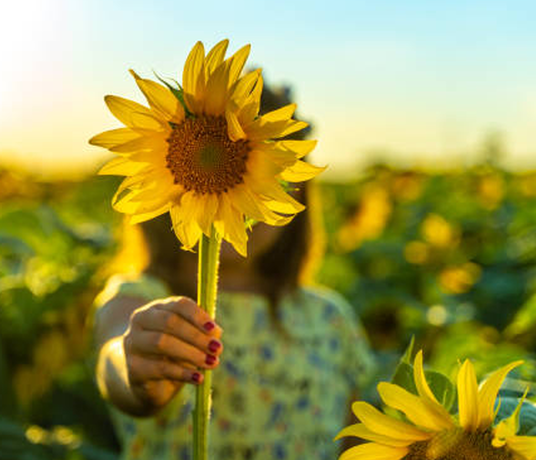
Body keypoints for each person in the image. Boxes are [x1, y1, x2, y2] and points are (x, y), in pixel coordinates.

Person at [91, 170, 375, 460]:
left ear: (297, 193)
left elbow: (352, 441)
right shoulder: (140, 297)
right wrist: (138, 366)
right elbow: (115, 352)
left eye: (260, 175)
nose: (229, 192)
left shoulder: (330, 316)